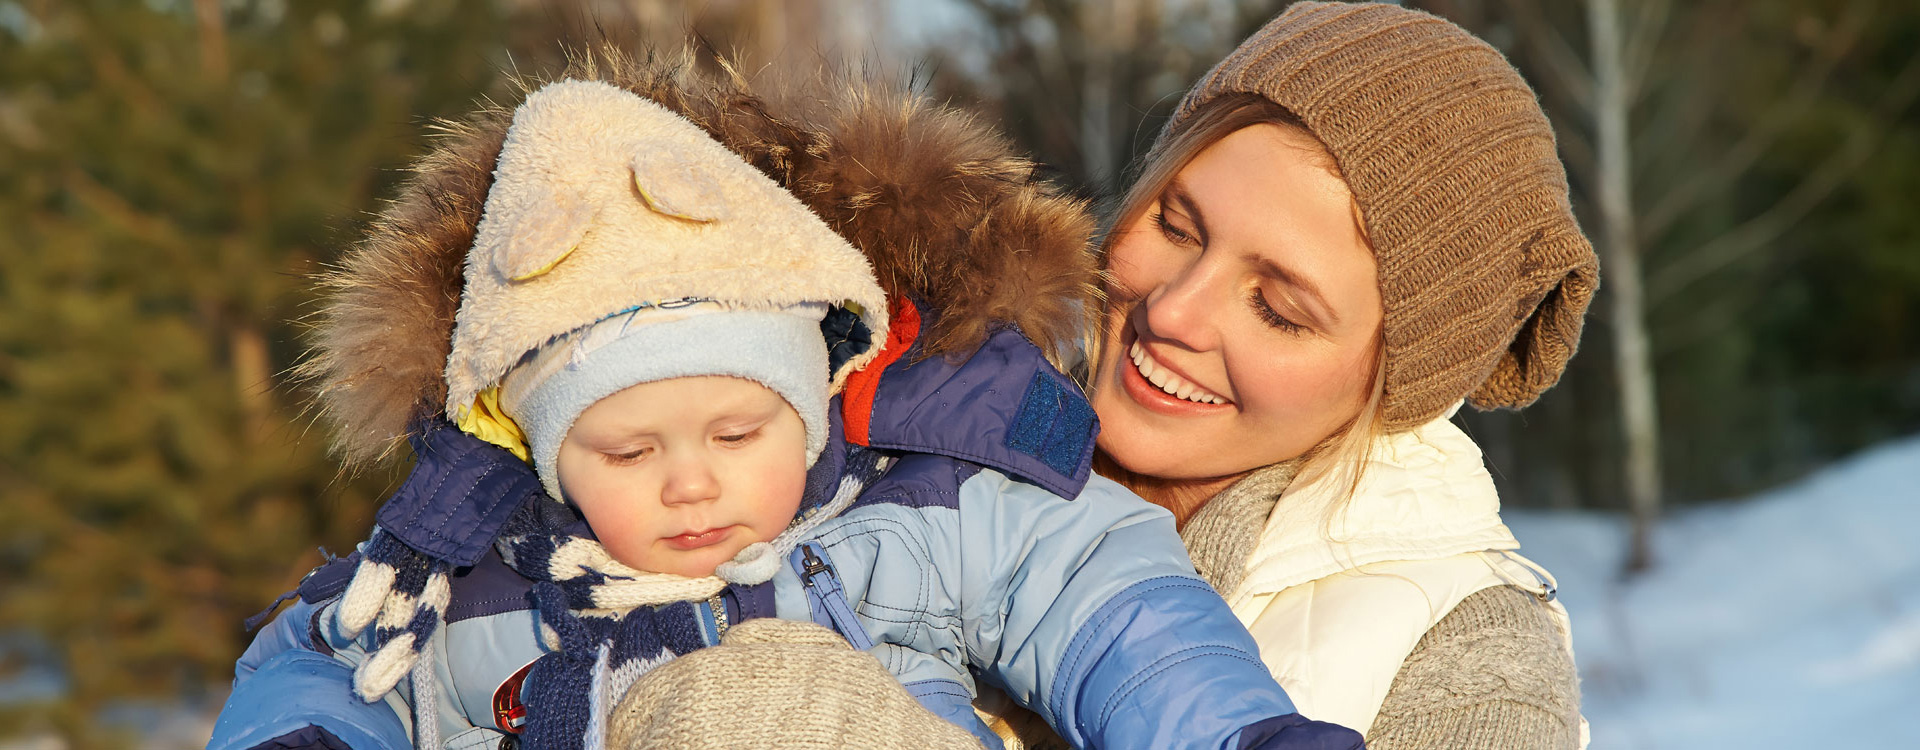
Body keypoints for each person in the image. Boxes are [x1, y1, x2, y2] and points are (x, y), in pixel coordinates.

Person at [208, 64, 1365, 750]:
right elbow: (319, 655)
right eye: (625, 449)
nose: (692, 480)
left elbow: (1106, 603)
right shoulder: (475, 583)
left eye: (735, 431)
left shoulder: (914, 511)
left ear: (813, 400)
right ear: (544, 452)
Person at [1077, 3, 1599, 748]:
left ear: (1394, 385)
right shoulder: (915, 403)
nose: (1173, 314)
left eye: (1278, 309)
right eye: (1175, 227)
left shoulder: (1473, 666)